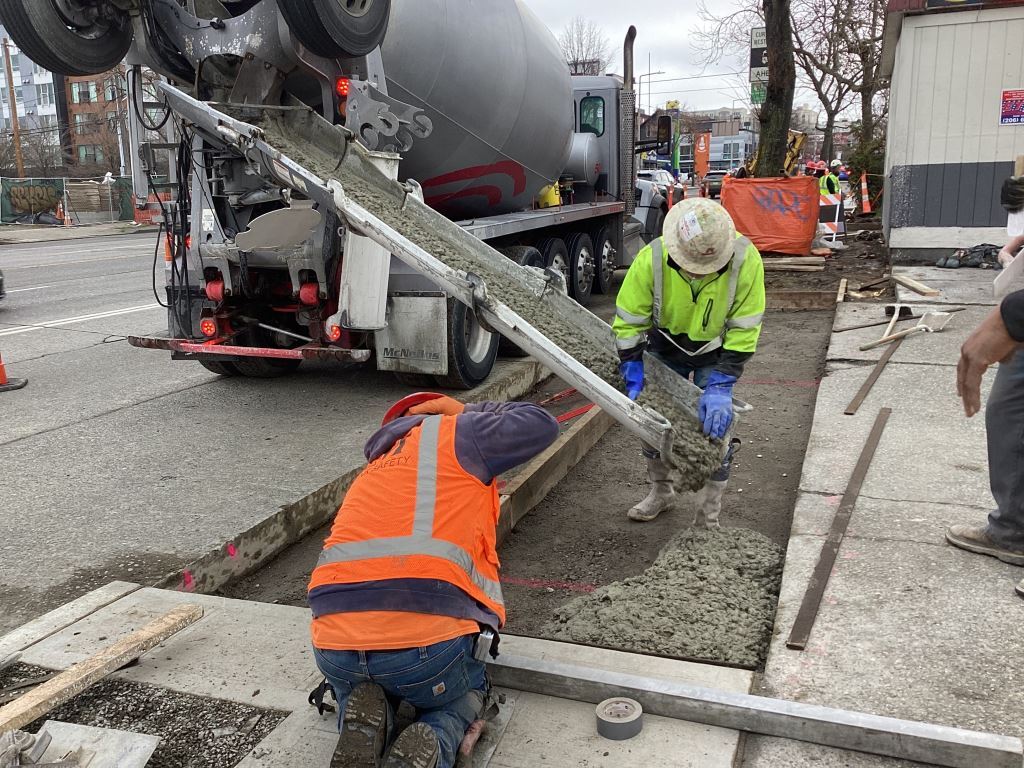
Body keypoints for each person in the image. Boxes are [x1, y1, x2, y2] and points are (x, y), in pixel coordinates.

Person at [307, 393, 559, 768]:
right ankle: (438, 737)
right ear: (437, 411)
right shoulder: (459, 432)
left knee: (364, 685)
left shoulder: (378, 465)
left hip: (334, 647)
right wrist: (469, 411)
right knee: (466, 693)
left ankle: (360, 718)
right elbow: (541, 424)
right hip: (426, 654)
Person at [612, 198, 765, 525]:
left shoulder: (745, 260)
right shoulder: (651, 258)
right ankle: (662, 492)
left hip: (717, 349)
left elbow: (745, 328)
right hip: (666, 345)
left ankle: (707, 517)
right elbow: (628, 321)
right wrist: (632, 366)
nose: (696, 272)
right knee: (654, 424)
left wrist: (722, 383)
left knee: (716, 429)